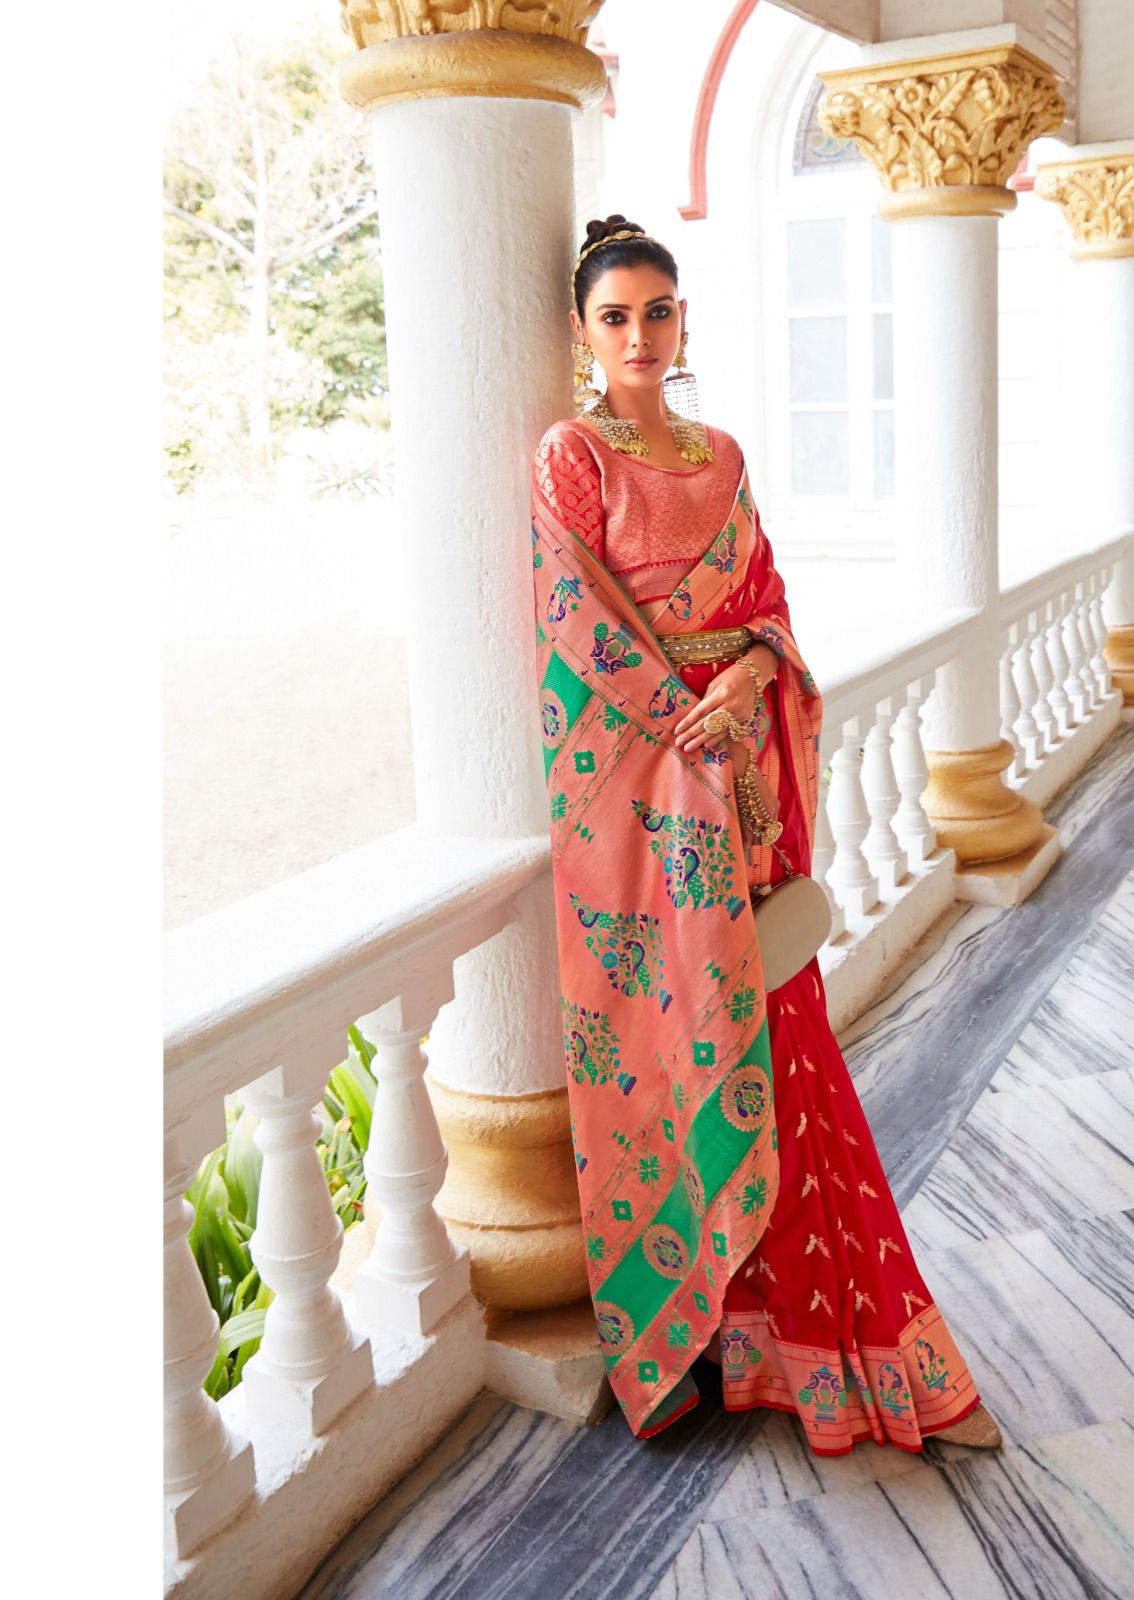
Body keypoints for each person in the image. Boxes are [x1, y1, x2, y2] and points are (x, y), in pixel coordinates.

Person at [528, 213, 1003, 1455]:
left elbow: (767, 603)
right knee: (667, 1045)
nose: (639, 335)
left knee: (779, 1039)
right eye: (615, 316)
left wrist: (748, 674)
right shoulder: (572, 456)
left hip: (740, 783)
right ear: (582, 332)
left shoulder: (723, 453)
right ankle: (687, 1335)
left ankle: (802, 1333)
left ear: (683, 320)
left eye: (657, 311)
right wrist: (682, 720)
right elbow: (576, 620)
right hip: (647, 804)